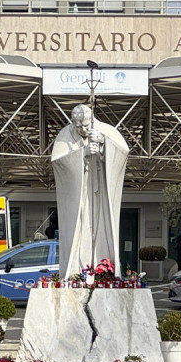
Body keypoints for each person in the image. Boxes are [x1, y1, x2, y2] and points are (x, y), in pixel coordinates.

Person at [50, 104, 130, 278]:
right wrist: (82, 154)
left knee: (103, 226)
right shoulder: (64, 135)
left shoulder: (107, 131)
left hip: (101, 192)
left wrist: (103, 142)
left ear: (92, 120)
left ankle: (104, 270)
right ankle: (76, 272)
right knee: (80, 228)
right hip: (79, 195)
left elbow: (123, 153)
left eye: (85, 125)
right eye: (77, 126)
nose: (82, 129)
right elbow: (58, 162)